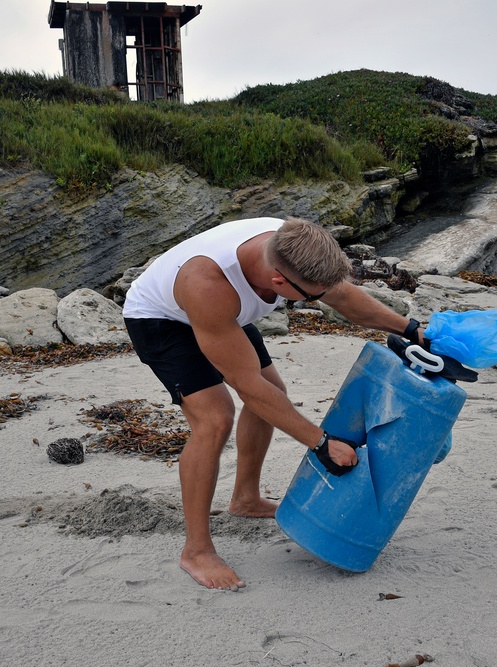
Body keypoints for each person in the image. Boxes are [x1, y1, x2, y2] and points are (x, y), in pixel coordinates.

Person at [122, 216, 426, 590]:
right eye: (312, 296)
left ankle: (245, 499)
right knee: (215, 418)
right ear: (279, 282)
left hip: (223, 313)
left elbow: (342, 296)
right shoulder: (207, 283)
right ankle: (196, 551)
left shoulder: (293, 243)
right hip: (162, 318)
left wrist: (411, 330)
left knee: (273, 392)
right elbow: (246, 385)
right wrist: (320, 442)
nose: (319, 300)